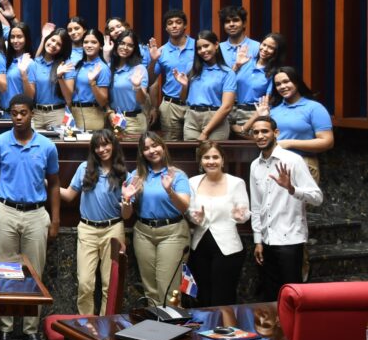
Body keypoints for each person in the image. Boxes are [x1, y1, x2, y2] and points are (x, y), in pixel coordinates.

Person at [0, 95, 60, 340]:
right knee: (4, 270)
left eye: (23, 113)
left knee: (35, 274)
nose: (18, 117)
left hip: (36, 213)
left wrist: (55, 219)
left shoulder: (47, 146)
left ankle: (31, 330)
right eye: (14, 113)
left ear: (32, 114)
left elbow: (53, 183)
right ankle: (5, 329)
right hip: (6, 210)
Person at [248, 116, 322, 301]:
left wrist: (292, 189)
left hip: (290, 239)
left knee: (292, 295)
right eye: (256, 132)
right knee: (270, 296)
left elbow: (317, 197)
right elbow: (256, 206)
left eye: (264, 131)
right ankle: (275, 330)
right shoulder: (254, 165)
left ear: (276, 133)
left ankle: (294, 330)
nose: (260, 136)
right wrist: (258, 240)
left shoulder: (293, 160)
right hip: (266, 241)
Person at [59, 130, 131, 315]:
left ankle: (105, 328)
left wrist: (127, 201)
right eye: (97, 146)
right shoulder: (84, 168)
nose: (102, 149)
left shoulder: (124, 175)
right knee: (85, 283)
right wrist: (47, 183)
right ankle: (86, 327)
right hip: (87, 229)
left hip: (113, 229)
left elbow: (127, 215)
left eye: (106, 144)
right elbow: (68, 195)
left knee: (110, 284)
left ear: (114, 145)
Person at [122, 132, 191, 306]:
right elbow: (126, 215)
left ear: (163, 146)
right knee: (150, 291)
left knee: (168, 289)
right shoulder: (136, 176)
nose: (152, 151)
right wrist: (127, 199)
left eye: (155, 145)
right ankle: (157, 330)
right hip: (143, 233)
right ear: (141, 153)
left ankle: (174, 330)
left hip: (172, 233)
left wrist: (169, 191)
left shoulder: (177, 175)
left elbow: (184, 207)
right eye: (146, 148)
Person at [186, 141, 250, 307]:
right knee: (203, 296)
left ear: (222, 160)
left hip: (228, 249)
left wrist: (240, 216)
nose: (211, 161)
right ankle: (204, 331)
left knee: (223, 296)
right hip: (199, 247)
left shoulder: (236, 183)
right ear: (201, 161)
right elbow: (191, 213)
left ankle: (226, 331)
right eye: (206, 157)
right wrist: (195, 219)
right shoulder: (192, 182)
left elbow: (245, 214)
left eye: (215, 157)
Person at [252, 67, 333, 184]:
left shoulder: (314, 108)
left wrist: (289, 143)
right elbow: (265, 137)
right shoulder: (274, 110)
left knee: (301, 201)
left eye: (286, 81)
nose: (282, 86)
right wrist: (264, 117)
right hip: (275, 164)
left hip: (304, 163)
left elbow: (327, 142)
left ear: (296, 82)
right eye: (278, 84)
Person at [176, 30, 236, 141]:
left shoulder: (227, 73)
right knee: (192, 156)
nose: (203, 51)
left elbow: (227, 107)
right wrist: (184, 86)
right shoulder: (192, 68)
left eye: (206, 46)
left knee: (212, 156)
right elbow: (183, 99)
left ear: (216, 45)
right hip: (191, 118)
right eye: (199, 48)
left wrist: (205, 132)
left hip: (215, 119)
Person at [148, 9, 195, 141]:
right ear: (166, 28)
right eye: (170, 23)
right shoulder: (161, 51)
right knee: (170, 146)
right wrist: (153, 60)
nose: (174, 25)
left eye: (178, 22)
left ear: (185, 25)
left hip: (194, 104)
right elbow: (151, 80)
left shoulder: (198, 47)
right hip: (170, 105)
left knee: (194, 146)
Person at [230, 33, 285, 137]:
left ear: (277, 52)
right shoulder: (246, 61)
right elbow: (227, 84)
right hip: (233, 111)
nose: (265, 49)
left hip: (253, 115)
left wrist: (244, 127)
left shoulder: (274, 73)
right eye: (264, 44)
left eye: (271, 48)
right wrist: (236, 65)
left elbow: (264, 106)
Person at [66, 29, 112, 131]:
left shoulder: (102, 67)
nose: (89, 45)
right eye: (86, 42)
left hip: (92, 114)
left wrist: (92, 82)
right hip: (74, 112)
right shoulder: (79, 64)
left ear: (100, 46)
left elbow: (103, 101)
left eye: (94, 42)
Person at [28, 28, 74, 130]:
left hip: (56, 114)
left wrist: (60, 77)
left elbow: (69, 99)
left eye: (59, 44)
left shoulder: (66, 64)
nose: (53, 45)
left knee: (58, 145)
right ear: (47, 39)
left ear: (62, 49)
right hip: (36, 113)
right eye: (52, 40)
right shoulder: (35, 63)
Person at [108, 30, 149, 138]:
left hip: (133, 121)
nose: (125, 48)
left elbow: (142, 100)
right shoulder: (110, 67)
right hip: (113, 119)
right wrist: (110, 113)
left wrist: (137, 87)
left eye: (130, 45)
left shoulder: (139, 69)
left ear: (134, 49)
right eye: (122, 43)